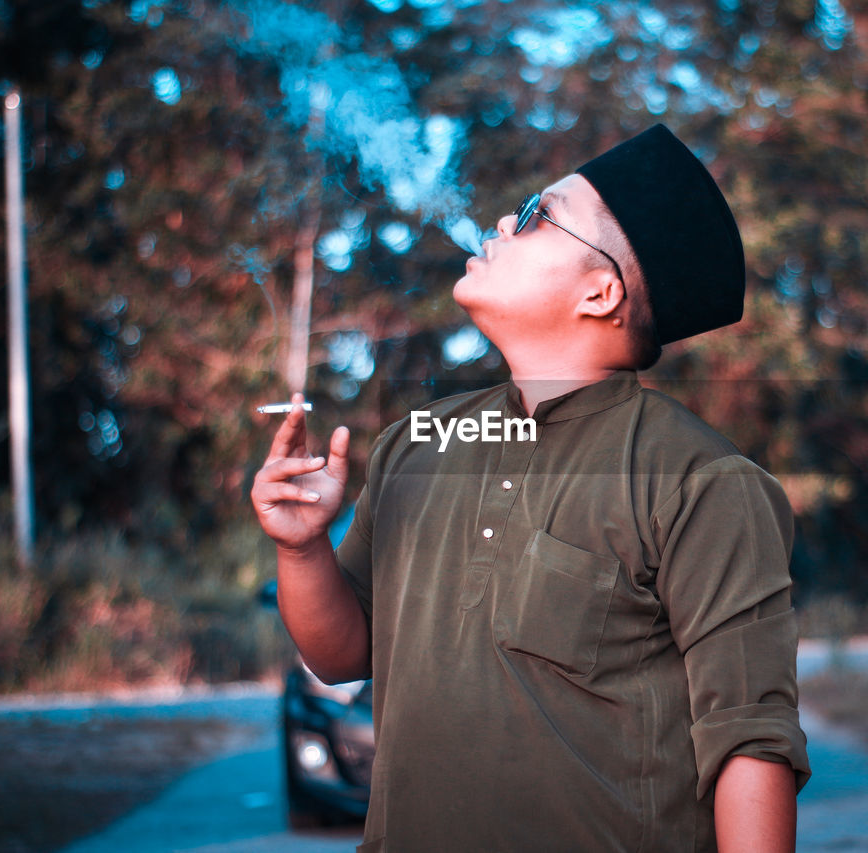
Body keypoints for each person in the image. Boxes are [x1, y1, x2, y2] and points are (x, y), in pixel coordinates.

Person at [252, 124, 810, 852]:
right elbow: (341, 653)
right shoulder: (417, 444)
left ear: (600, 291)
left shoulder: (700, 482)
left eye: (536, 215)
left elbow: (750, 740)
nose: (500, 225)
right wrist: (300, 549)